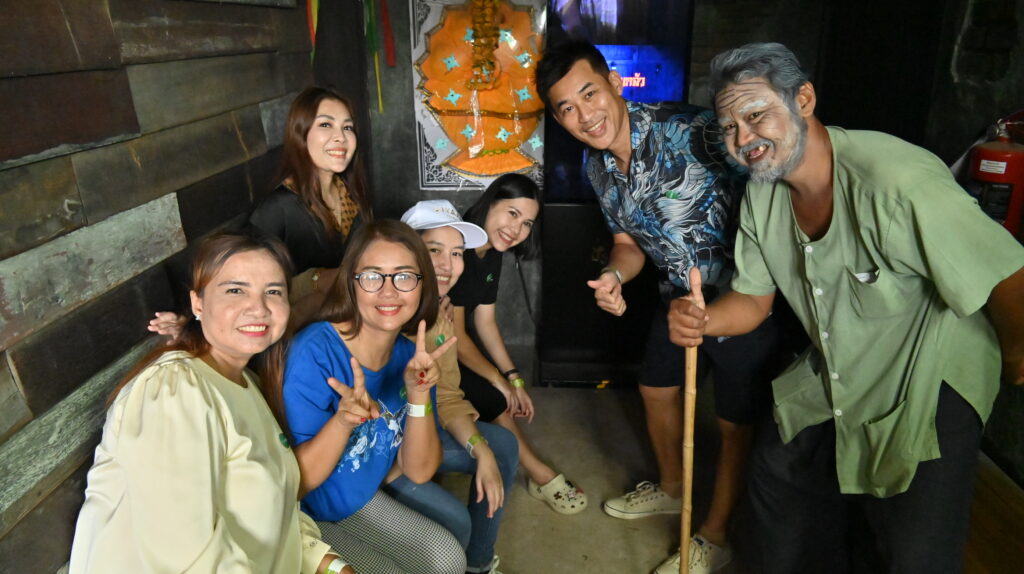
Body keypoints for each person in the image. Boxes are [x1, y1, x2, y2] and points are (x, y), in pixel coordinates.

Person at [669, 42, 1024, 573]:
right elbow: (753, 300)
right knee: (777, 481)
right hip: (841, 360)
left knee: (913, 549)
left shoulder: (896, 180)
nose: (742, 138)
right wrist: (703, 319)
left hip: (929, 370)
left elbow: (1007, 271)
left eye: (756, 114)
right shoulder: (763, 194)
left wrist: (1016, 355)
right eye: (728, 127)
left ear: (803, 100)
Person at [536, 40, 784, 573]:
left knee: (734, 422)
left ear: (614, 83)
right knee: (655, 389)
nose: (585, 115)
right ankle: (673, 488)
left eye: (589, 94)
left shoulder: (694, 130)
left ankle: (715, 534)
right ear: (558, 119)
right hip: (676, 295)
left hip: (743, 293)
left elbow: (770, 184)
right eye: (567, 108)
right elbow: (627, 243)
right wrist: (612, 275)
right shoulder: (597, 166)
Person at [70, 232, 353, 574]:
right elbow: (187, 556)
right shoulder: (175, 391)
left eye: (273, 292)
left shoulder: (247, 383)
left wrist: (330, 565)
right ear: (198, 303)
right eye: (235, 290)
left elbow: (274, 505)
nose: (259, 308)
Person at [281, 220, 467, 574]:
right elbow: (296, 484)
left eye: (404, 276)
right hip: (304, 515)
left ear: (423, 285)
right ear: (351, 283)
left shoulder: (409, 358)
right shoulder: (315, 354)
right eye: (372, 276)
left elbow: (419, 470)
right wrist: (343, 421)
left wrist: (419, 395)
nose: (389, 291)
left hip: (360, 497)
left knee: (448, 558)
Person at [149, 85, 372, 335]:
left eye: (347, 127)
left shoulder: (353, 196)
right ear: (300, 134)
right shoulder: (280, 206)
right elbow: (234, 265)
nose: (340, 137)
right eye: (326, 124)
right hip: (293, 334)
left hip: (343, 326)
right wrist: (191, 317)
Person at [384, 199, 519, 574]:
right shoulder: (381, 307)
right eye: (434, 250)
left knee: (502, 446)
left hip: (420, 431)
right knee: (455, 522)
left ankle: (477, 564)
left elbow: (446, 396)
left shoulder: (440, 314)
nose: (447, 264)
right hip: (380, 454)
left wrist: (480, 449)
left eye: (457, 253)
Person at [450, 173, 588, 516]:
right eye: (512, 213)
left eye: (527, 223)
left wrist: (514, 378)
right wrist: (499, 381)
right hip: (425, 344)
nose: (517, 229)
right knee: (491, 392)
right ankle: (540, 475)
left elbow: (485, 321)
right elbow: (455, 336)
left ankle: (537, 471)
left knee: (495, 387)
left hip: (452, 341)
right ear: (490, 203)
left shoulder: (491, 252)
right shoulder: (458, 247)